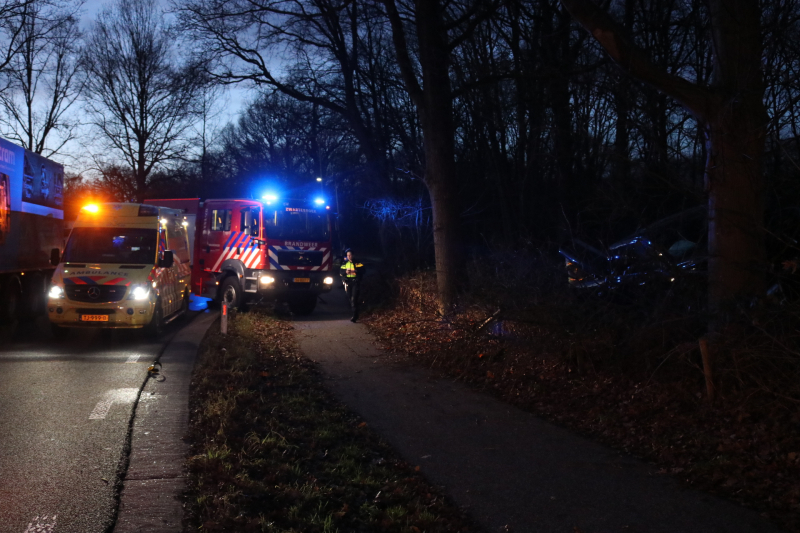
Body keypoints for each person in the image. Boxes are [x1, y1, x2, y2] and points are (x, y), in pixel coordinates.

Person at [340, 248, 364, 322]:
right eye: (347, 255)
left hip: (355, 282)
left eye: (350, 255)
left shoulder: (358, 263)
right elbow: (340, 272)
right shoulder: (344, 263)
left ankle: (355, 316)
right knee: (350, 299)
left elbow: (363, 270)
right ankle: (356, 313)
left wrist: (356, 271)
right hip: (348, 282)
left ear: (353, 255)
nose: (349, 256)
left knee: (354, 299)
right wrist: (345, 272)